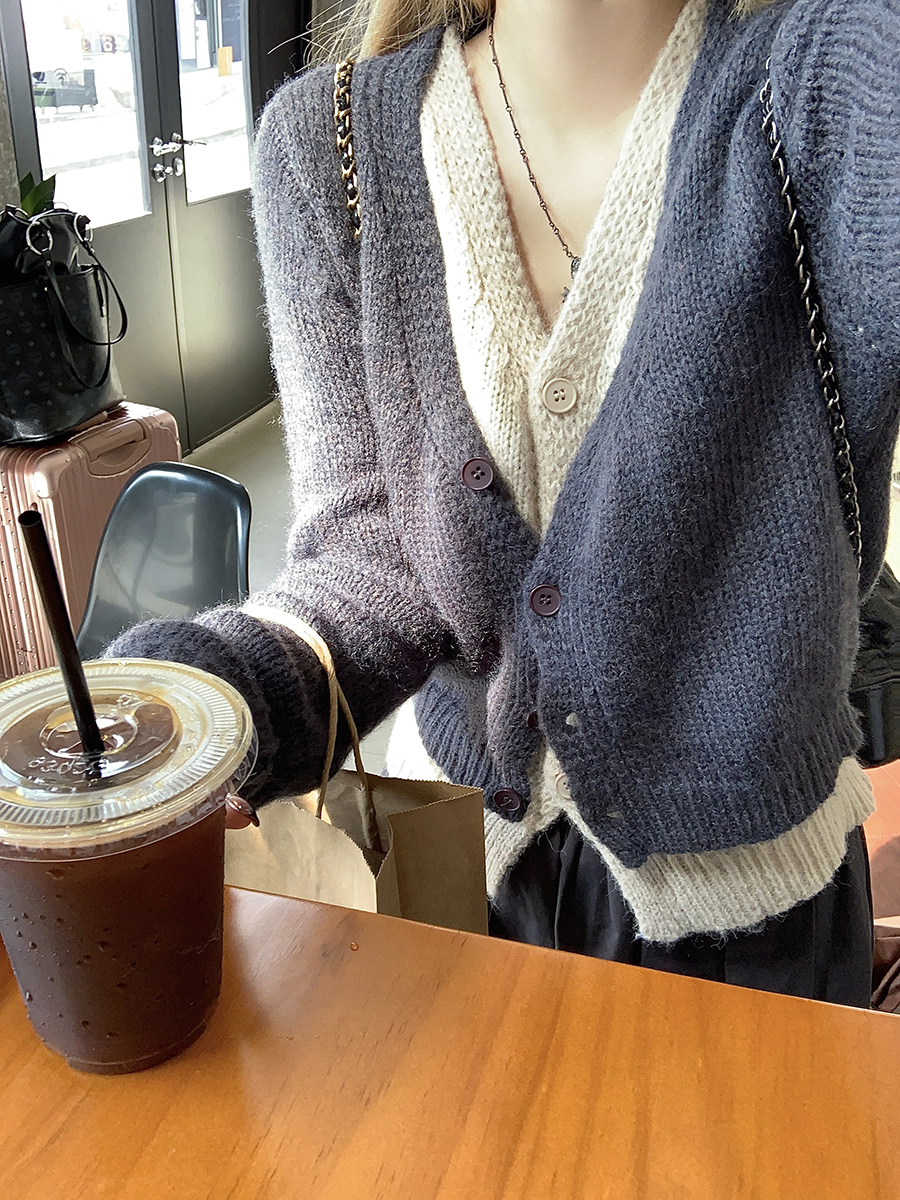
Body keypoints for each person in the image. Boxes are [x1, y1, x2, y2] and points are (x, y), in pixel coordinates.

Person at [110, 0, 900, 1006]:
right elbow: (373, 553)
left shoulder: (822, 91)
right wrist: (214, 696)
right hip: (458, 886)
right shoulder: (332, 145)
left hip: (758, 925)